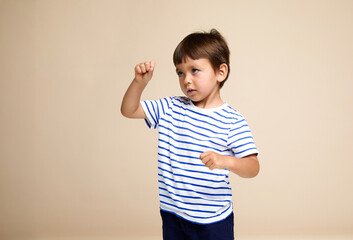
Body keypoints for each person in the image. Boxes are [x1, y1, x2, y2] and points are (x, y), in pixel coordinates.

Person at [121, 29, 259, 240]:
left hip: (213, 219)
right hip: (173, 214)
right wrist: (140, 83)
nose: (186, 80)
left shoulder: (232, 121)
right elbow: (128, 110)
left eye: (195, 70)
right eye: (180, 72)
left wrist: (225, 161)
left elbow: (252, 167)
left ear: (220, 72)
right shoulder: (171, 107)